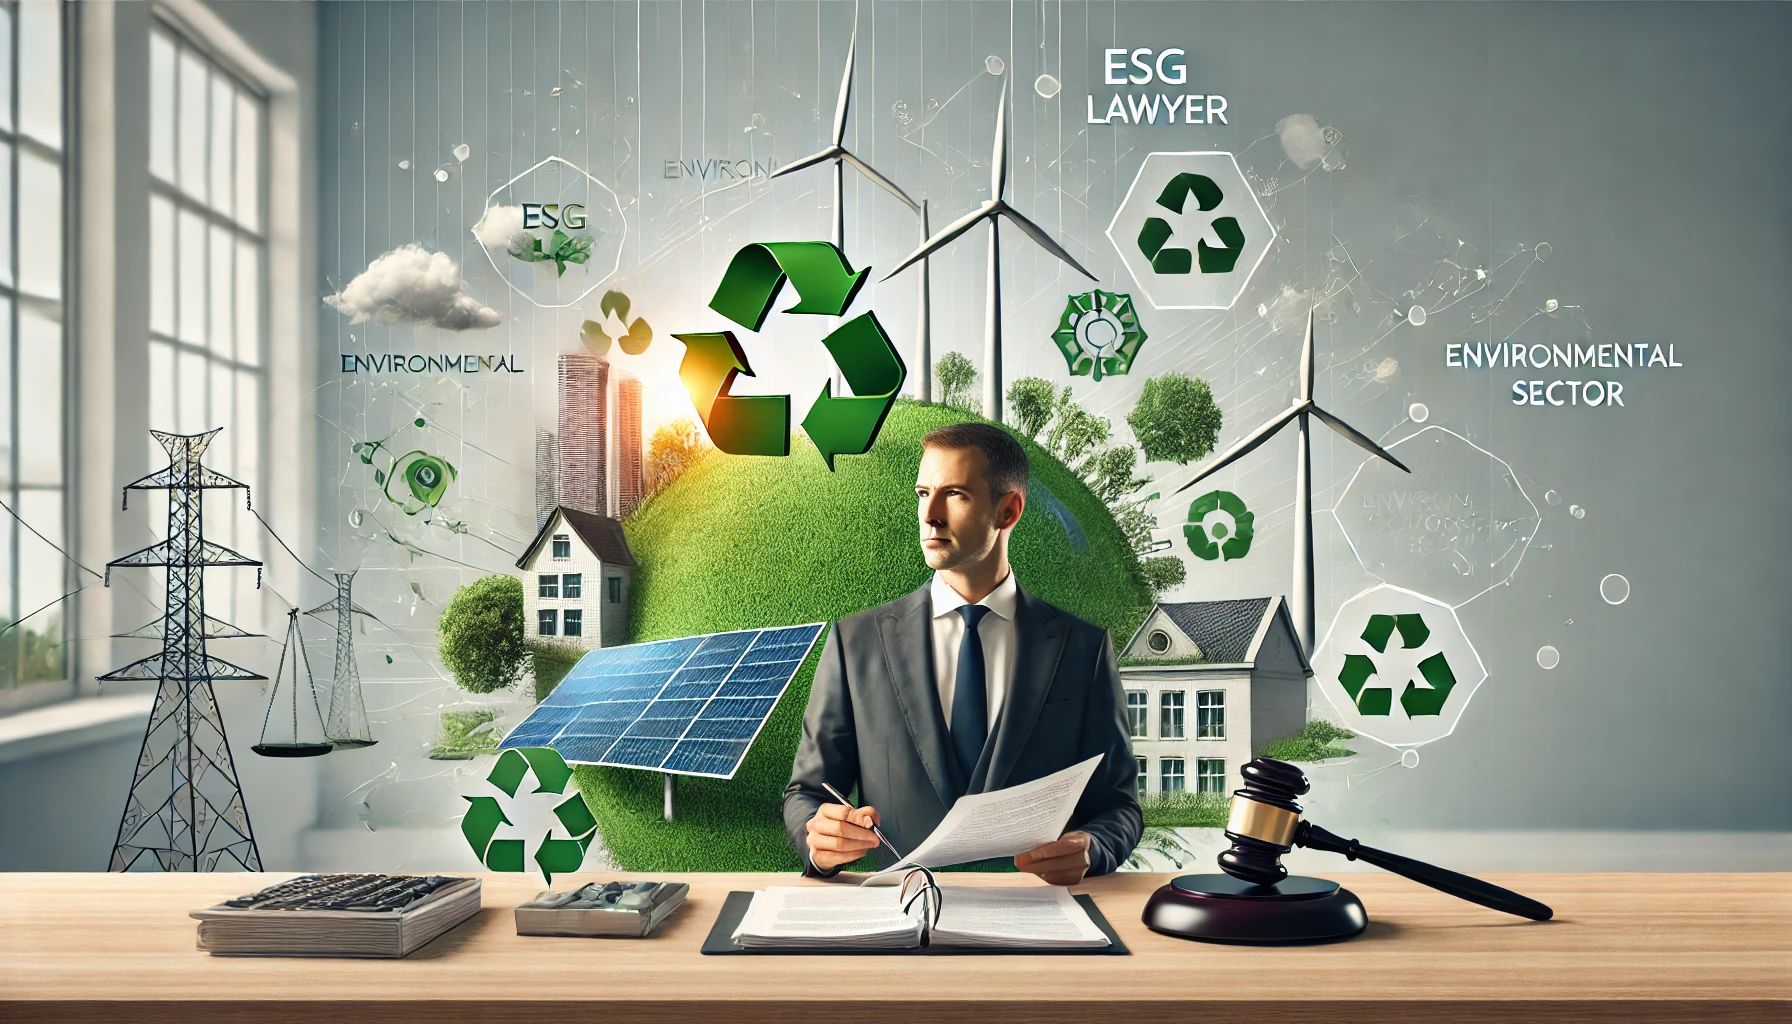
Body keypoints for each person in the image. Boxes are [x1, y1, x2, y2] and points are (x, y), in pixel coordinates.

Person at [783, 422, 1142, 883]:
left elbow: (1119, 807)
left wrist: (1093, 847)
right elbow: (806, 794)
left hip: (1036, 928)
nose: (930, 514)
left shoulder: (1083, 649)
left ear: (1008, 510)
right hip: (900, 924)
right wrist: (819, 836)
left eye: (954, 494)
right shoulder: (856, 643)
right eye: (922, 492)